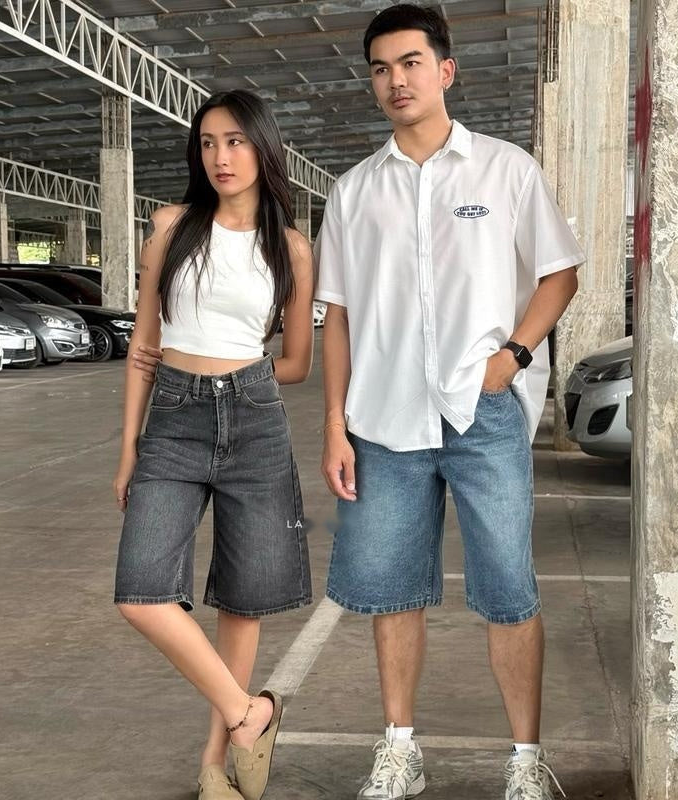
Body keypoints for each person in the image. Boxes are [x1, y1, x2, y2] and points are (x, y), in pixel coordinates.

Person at [315, 5, 583, 800]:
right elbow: (339, 317)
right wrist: (334, 426)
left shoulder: (505, 170)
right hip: (383, 419)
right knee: (392, 590)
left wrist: (513, 357)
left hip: (482, 411)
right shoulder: (353, 192)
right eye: (380, 69)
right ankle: (400, 750)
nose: (395, 81)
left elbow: (559, 272)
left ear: (445, 71)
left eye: (410, 63)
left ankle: (526, 761)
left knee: (508, 590)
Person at [113, 89, 314, 800]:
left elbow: (297, 363)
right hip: (173, 418)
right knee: (141, 591)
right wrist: (129, 449)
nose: (220, 157)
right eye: (207, 143)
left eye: (234, 141)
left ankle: (212, 767)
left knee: (242, 600)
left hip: (254, 418)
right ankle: (248, 712)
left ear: (263, 147)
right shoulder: (171, 227)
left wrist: (240, 377)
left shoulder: (291, 248)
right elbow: (143, 348)